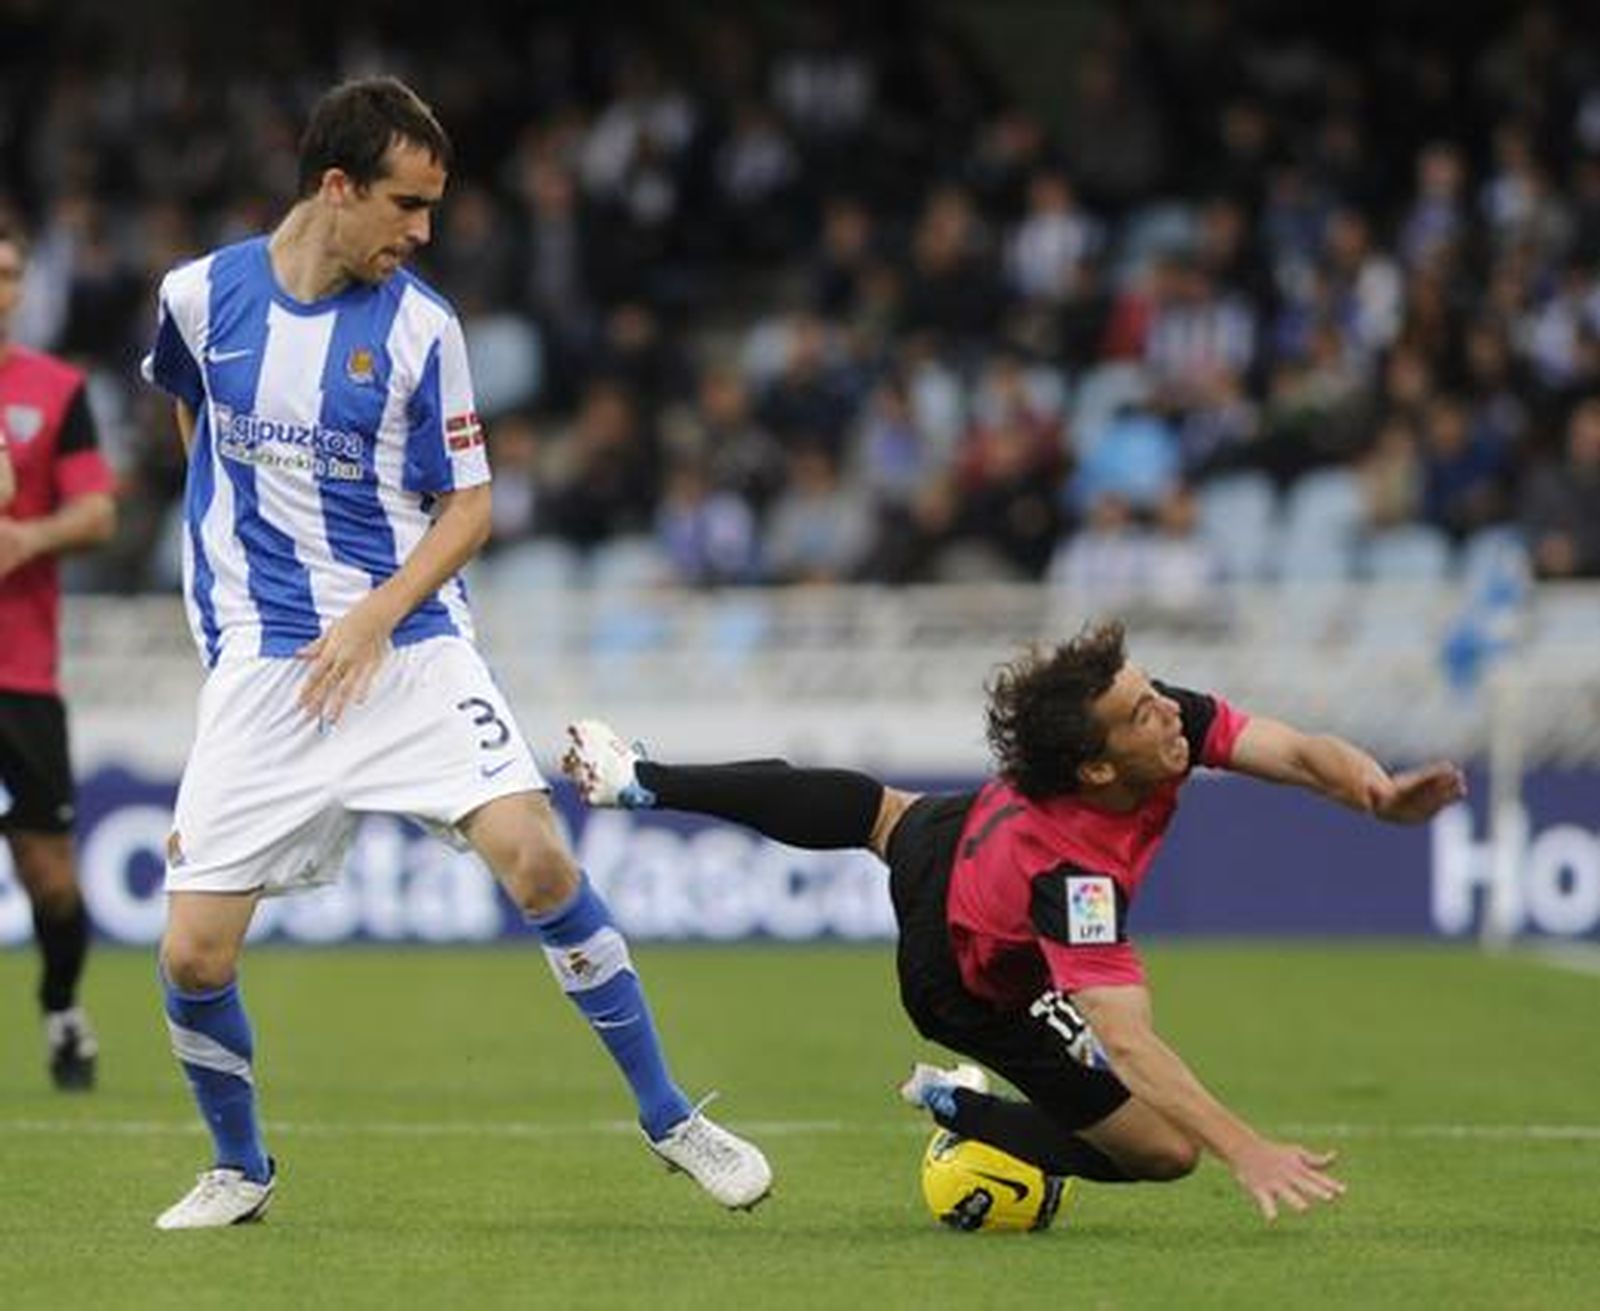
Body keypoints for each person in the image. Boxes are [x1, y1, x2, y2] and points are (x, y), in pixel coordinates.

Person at [140, 76, 769, 1230]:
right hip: (268, 672)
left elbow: (470, 507)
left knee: (535, 858)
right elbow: (194, 433)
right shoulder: (196, 297)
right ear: (336, 188)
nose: (422, 233)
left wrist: (376, 614)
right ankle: (240, 1168)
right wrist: (235, 594)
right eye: (405, 204)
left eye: (432, 207)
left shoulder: (424, 328)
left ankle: (673, 1117)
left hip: (409, 646)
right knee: (191, 956)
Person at [562, 620, 1467, 1223]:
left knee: (875, 812)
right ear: (1098, 770)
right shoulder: (1077, 878)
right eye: (1142, 711)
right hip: (967, 980)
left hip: (960, 836)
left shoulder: (1148, 732)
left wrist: (1372, 791)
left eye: (1154, 692)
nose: (1169, 712)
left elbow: (1295, 749)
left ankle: (649, 778)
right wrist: (1246, 1149)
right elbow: (1132, 1042)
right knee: (1165, 1152)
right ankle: (956, 1107)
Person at [0, 220, 118, 1090]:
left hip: (18, 673)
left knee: (49, 872)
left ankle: (63, 1009)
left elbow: (99, 514)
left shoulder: (54, 388)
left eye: (8, 272)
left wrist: (24, 536)